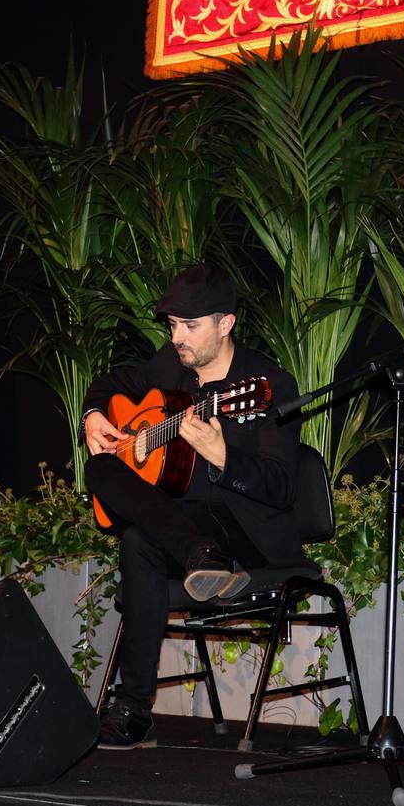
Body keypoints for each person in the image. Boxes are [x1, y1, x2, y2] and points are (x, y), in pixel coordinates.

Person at [84, 263, 306, 749]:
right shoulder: (169, 366)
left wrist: (224, 457)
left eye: (190, 326)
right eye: (172, 326)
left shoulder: (267, 385)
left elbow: (284, 488)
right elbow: (106, 385)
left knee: (141, 539)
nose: (177, 337)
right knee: (100, 470)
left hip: (247, 536)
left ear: (225, 324)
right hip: (188, 534)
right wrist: (94, 415)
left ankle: (133, 704)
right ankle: (137, 713)